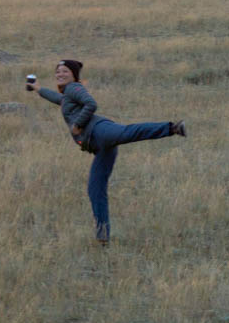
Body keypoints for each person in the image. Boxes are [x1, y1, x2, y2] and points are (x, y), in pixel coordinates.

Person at [28, 59, 186, 245]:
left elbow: (91, 104)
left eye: (65, 71)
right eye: (57, 71)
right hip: (100, 146)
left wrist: (78, 124)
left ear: (73, 75)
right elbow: (57, 98)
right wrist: (38, 88)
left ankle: (172, 128)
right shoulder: (67, 96)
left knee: (127, 132)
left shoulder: (74, 89)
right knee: (95, 189)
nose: (59, 74)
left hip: (100, 131)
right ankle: (102, 236)